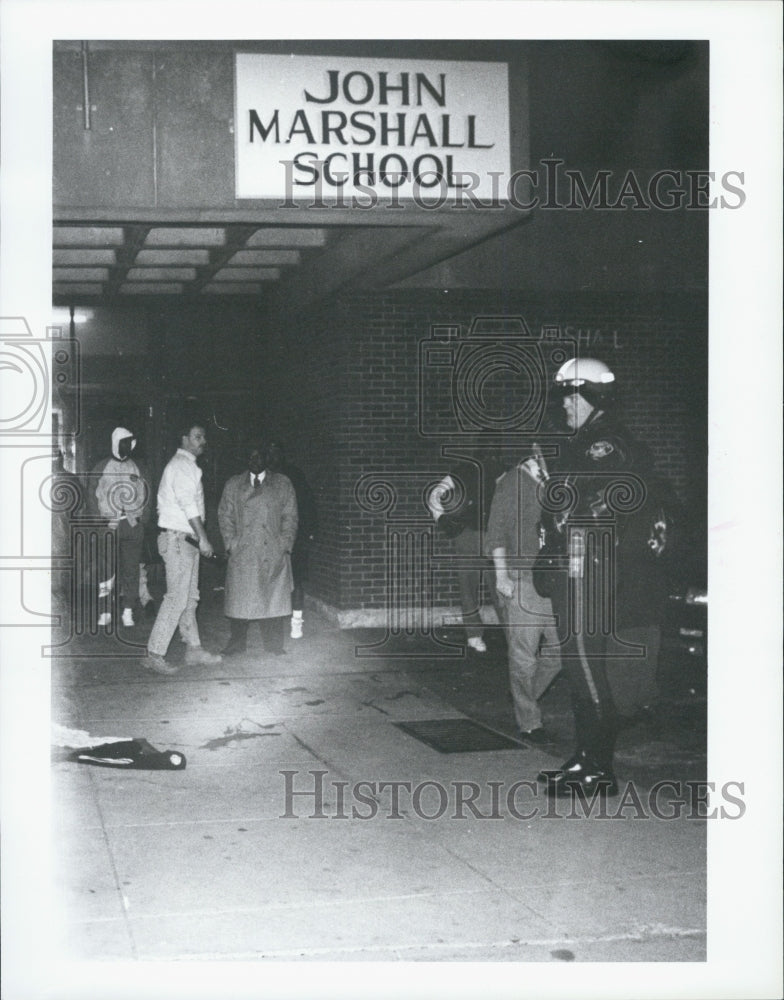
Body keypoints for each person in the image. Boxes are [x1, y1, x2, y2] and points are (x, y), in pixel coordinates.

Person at [535, 358, 670, 797]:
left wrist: (558, 500)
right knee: (578, 669)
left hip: (589, 573)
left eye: (570, 397)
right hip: (577, 571)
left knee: (588, 670)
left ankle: (599, 768)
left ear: (590, 396)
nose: (564, 407)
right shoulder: (591, 442)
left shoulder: (606, 445)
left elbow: (598, 510)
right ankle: (585, 758)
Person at [485, 448, 562, 746]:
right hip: (521, 577)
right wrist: (502, 575)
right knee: (524, 656)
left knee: (560, 650)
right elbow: (496, 533)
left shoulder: (555, 482)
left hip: (552, 579)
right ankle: (529, 720)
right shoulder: (512, 483)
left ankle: (522, 693)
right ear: (535, 452)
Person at [144, 421, 223, 675]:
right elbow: (189, 506)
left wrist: (197, 540)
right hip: (180, 539)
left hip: (184, 540)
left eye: (203, 437)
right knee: (177, 598)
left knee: (190, 597)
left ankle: (194, 649)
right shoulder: (181, 466)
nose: (202, 442)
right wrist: (204, 538)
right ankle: (154, 653)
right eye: (197, 436)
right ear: (184, 438)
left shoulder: (187, 466)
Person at [218, 441, 298, 656]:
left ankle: (274, 644)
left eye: (259, 457)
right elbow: (225, 516)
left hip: (271, 550)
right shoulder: (233, 484)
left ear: (266, 459)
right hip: (243, 551)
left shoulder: (282, 484)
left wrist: (285, 544)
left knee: (272, 600)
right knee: (239, 600)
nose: (255, 461)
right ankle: (236, 643)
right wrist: (230, 543)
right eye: (250, 457)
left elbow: (290, 516)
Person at [427, 455, 496, 653]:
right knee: (468, 586)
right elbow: (435, 494)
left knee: (499, 586)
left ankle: (513, 636)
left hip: (492, 536)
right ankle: (474, 635)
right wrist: (442, 519)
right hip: (467, 535)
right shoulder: (463, 471)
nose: (490, 450)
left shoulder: (503, 472)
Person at [87, 427, 151, 628]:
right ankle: (105, 610)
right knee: (106, 569)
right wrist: (101, 522)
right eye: (124, 442)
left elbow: (148, 494)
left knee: (132, 570)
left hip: (132, 526)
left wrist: (142, 521)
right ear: (116, 443)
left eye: (131, 443)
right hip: (109, 527)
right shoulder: (101, 467)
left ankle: (128, 610)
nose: (129, 446)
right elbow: (91, 498)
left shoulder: (138, 467)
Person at [265, 441, 318, 639]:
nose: (272, 459)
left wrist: (309, 531)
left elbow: (307, 503)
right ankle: (271, 622)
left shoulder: (293, 476)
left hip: (296, 538)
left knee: (296, 581)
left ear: (282, 455)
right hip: (271, 539)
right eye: (268, 454)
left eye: (276, 454)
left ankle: (297, 623)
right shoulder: (263, 478)